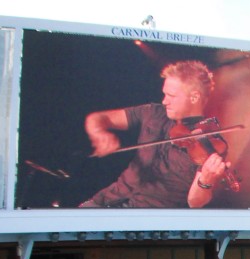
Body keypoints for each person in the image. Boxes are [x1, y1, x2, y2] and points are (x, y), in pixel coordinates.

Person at [81, 60, 230, 209]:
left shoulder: (211, 144)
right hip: (106, 200)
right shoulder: (153, 112)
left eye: (171, 96)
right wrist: (99, 133)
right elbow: (98, 119)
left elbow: (195, 202)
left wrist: (206, 181)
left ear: (194, 97)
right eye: (164, 94)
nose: (164, 101)